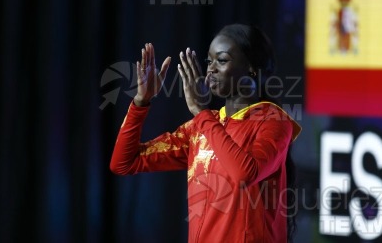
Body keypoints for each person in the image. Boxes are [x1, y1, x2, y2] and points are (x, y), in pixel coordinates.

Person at [110, 24, 302, 243]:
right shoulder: (202, 126)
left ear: (251, 67)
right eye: (209, 62)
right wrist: (141, 102)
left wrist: (201, 113)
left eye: (221, 60)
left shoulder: (272, 121)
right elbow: (124, 162)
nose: (210, 69)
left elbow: (244, 174)